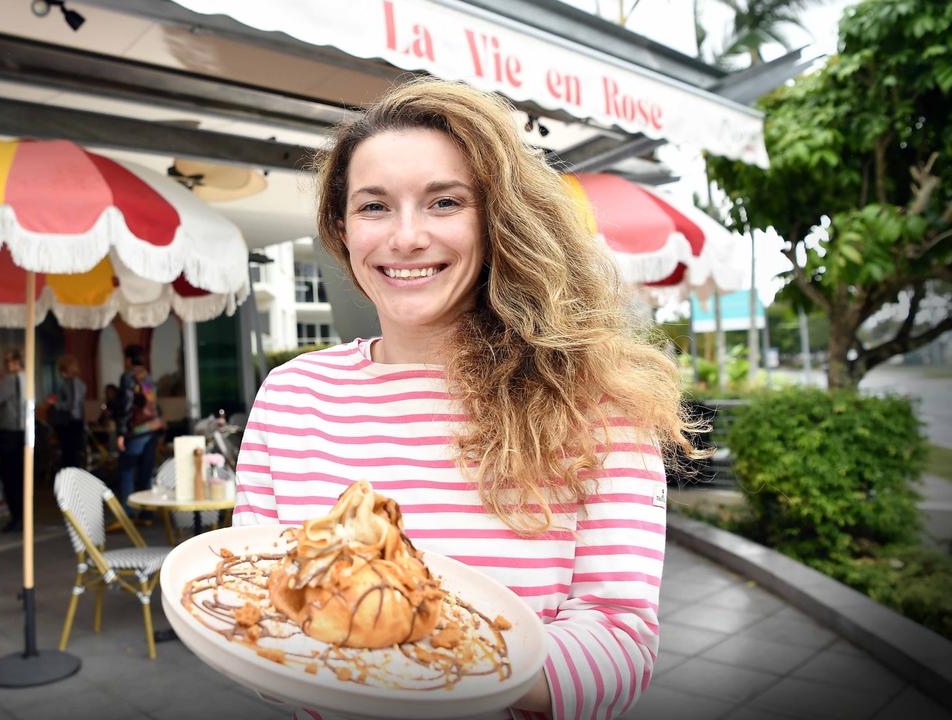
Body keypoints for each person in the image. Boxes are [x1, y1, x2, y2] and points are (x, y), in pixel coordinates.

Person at [232, 78, 702, 720]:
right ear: (342, 230)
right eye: (374, 206)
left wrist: (429, 661)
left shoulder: (595, 401)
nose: (405, 237)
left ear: (498, 216)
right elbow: (258, 601)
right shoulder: (291, 397)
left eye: (444, 202)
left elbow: (617, 637)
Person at [114, 344, 164, 515]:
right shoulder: (147, 377)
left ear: (128, 359)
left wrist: (121, 432)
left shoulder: (128, 377)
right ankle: (147, 513)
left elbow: (126, 405)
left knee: (127, 471)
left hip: (136, 430)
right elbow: (154, 404)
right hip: (152, 429)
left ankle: (128, 512)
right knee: (146, 472)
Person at [0, 348, 26, 533]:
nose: (6, 365)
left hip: (10, 433)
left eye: (7, 362)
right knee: (20, 477)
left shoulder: (10, 380)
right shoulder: (27, 378)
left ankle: (17, 517)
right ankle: (24, 516)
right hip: (24, 433)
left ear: (14, 362)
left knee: (10, 477)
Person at [51, 354, 87, 470]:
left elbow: (73, 404)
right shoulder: (70, 383)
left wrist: (56, 404)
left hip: (71, 423)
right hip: (70, 422)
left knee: (70, 455)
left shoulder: (73, 383)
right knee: (69, 454)